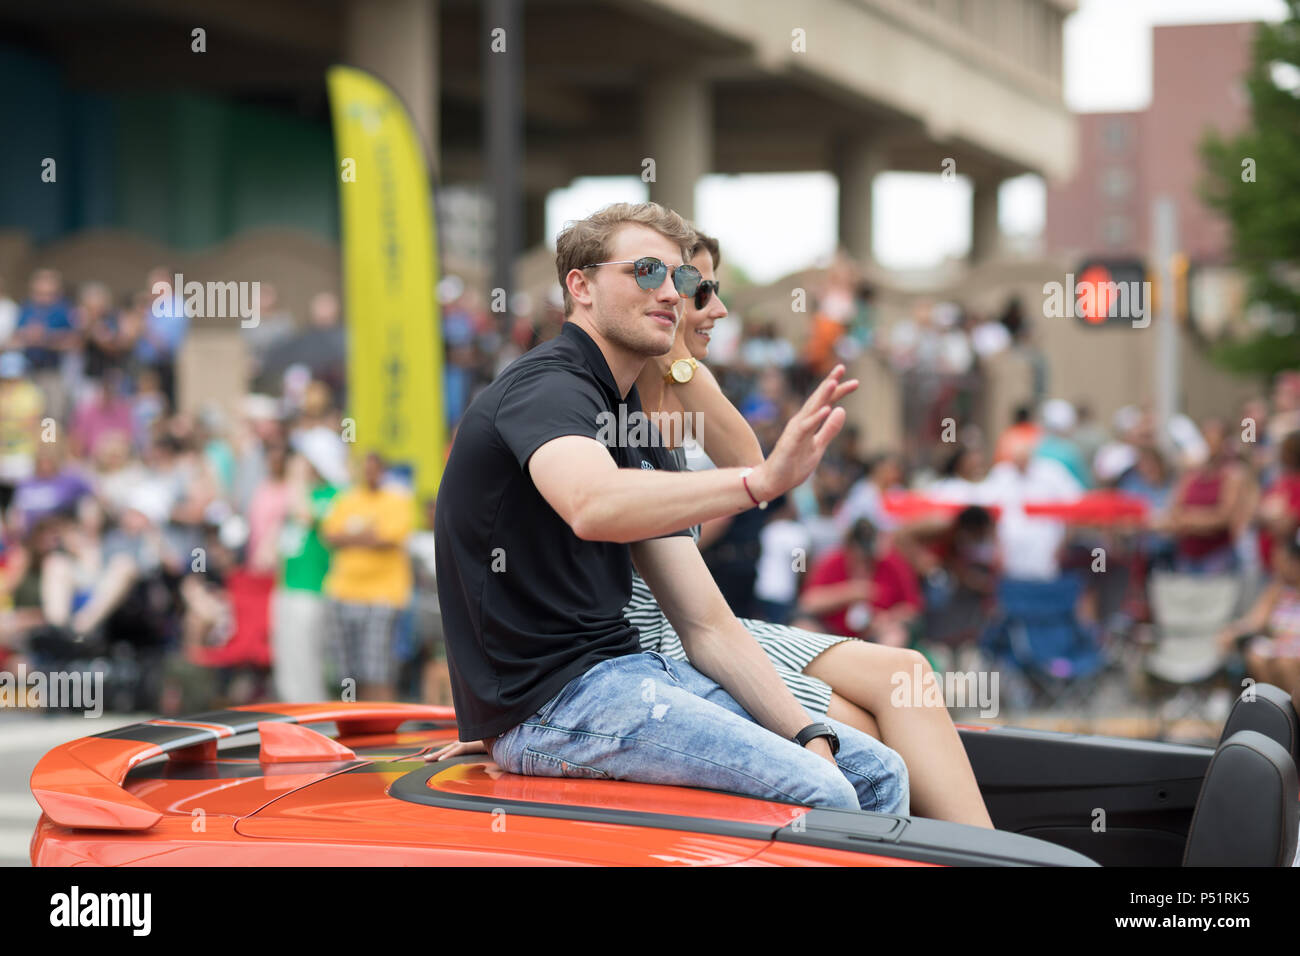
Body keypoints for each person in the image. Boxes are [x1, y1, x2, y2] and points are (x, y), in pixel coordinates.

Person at [433, 202, 907, 814]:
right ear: (580, 286)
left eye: (681, 279)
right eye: (646, 271)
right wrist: (756, 482)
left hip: (630, 674)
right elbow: (592, 502)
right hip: (553, 705)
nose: (672, 294)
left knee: (876, 771)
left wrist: (807, 734)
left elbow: (706, 623)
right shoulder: (547, 385)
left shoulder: (634, 419)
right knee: (825, 792)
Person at [321, 451, 413, 702]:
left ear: (383, 471)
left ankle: (383, 730)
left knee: (378, 669)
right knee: (347, 672)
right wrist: (367, 534)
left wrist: (351, 537)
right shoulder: (348, 498)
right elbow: (330, 536)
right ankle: (356, 726)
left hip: (382, 596)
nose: (369, 473)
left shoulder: (397, 500)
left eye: (375, 468)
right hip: (343, 593)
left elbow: (388, 539)